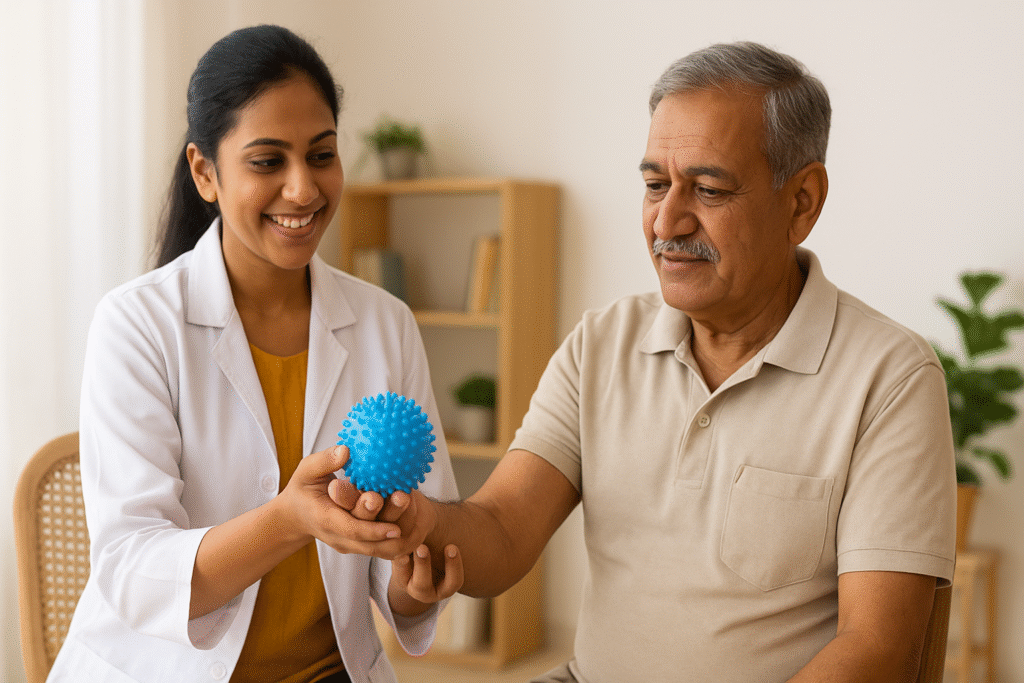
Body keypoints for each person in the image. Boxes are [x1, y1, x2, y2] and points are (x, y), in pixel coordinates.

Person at [383, 42, 957, 682]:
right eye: (655, 184)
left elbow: (877, 651)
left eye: (708, 189)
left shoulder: (891, 377)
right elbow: (502, 529)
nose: (667, 220)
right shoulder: (601, 342)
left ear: (802, 201)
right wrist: (423, 521)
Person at [48, 24, 460, 683]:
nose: (303, 189)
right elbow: (133, 568)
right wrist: (286, 520)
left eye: (321, 155)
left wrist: (414, 583)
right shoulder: (137, 323)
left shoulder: (387, 322)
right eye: (268, 161)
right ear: (205, 172)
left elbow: (404, 552)